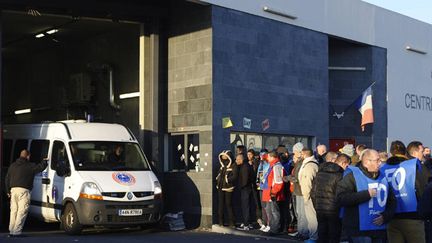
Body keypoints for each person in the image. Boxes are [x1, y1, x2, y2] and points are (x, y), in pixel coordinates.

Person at [337, 149, 396, 243]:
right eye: (377, 160)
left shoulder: (383, 177)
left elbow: (392, 201)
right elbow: (341, 198)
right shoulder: (352, 176)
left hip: (379, 229)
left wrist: (386, 216)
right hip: (359, 230)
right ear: (367, 162)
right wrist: (366, 194)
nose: (380, 163)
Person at [381, 141, 430, 243]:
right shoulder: (414, 166)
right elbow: (423, 189)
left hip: (391, 217)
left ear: (391, 152)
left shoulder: (383, 168)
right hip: (413, 216)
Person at [5, 149, 48, 237]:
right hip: (24, 191)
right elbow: (40, 168)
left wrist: (7, 191)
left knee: (13, 211)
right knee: (22, 211)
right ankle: (16, 232)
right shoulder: (30, 166)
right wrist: (44, 161)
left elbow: (7, 179)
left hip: (13, 190)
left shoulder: (12, 166)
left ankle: (11, 231)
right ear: (28, 156)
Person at [312, 154, 350, 243]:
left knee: (322, 233)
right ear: (343, 163)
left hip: (320, 208)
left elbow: (313, 192)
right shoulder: (340, 175)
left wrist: (316, 205)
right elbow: (340, 194)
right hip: (334, 210)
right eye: (347, 165)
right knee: (334, 235)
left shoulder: (319, 173)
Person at [287, 142, 308, 240]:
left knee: (302, 213)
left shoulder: (302, 163)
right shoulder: (298, 163)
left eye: (295, 152)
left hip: (301, 191)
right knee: (298, 212)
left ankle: (303, 232)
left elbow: (298, 177)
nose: (294, 154)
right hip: (297, 190)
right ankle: (300, 231)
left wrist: (287, 178)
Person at [261, 151, 286, 235]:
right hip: (269, 192)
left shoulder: (276, 166)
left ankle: (275, 229)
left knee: (274, 211)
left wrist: (273, 192)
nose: (267, 158)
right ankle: (272, 228)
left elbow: (278, 182)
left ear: (272, 157)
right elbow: (264, 157)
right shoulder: (272, 165)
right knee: (270, 211)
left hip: (273, 193)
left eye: (268, 157)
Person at [298, 148, 319, 242]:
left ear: (305, 154)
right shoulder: (309, 164)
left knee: (312, 218)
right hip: (310, 194)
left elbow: (307, 182)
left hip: (310, 195)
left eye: (301, 154)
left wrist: (306, 196)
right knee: (311, 217)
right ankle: (313, 236)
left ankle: (313, 237)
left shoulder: (309, 165)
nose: (300, 156)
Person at [216, 150, 238, 227]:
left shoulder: (233, 165)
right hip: (220, 187)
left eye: (224, 155)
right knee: (220, 204)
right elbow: (218, 174)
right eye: (222, 156)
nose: (223, 157)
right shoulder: (222, 165)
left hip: (229, 188)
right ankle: (220, 222)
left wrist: (227, 180)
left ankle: (232, 222)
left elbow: (235, 176)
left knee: (229, 204)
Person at [236, 153, 255, 230]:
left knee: (245, 207)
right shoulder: (247, 165)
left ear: (241, 160)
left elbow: (245, 180)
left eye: (237, 159)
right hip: (249, 188)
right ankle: (248, 223)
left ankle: (246, 224)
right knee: (248, 206)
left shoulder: (244, 167)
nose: (236, 161)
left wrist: (241, 187)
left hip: (245, 189)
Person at [247, 149, 263, 227]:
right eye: (248, 154)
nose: (248, 156)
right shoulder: (247, 162)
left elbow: (256, 173)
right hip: (250, 185)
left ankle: (259, 218)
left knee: (257, 203)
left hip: (256, 185)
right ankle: (254, 219)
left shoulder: (256, 162)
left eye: (250, 154)